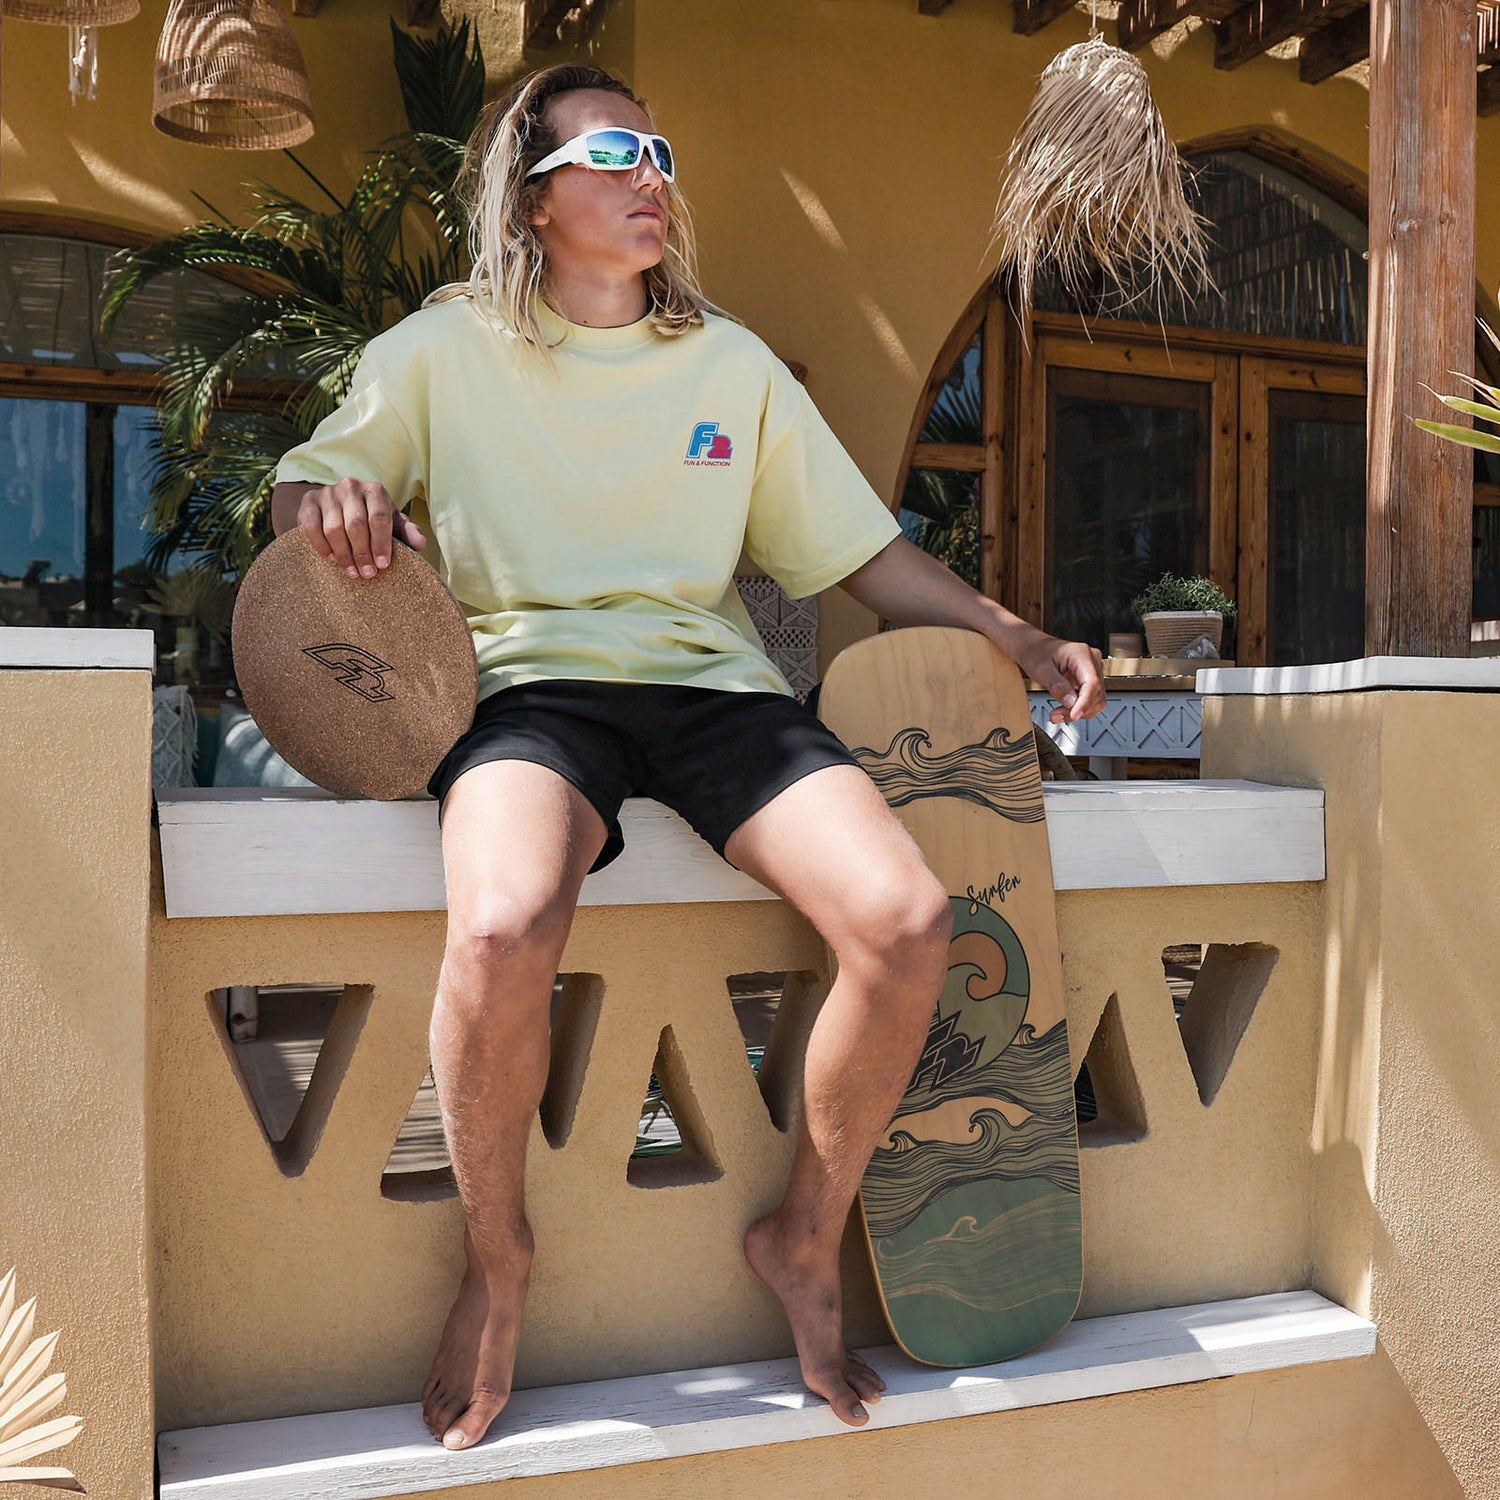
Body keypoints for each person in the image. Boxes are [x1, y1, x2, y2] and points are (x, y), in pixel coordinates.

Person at [270, 63, 1105, 1452]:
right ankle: (498, 1259)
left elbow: (861, 555)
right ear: (532, 199)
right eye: (613, 155)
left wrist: (1010, 631)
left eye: (659, 154)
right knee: (500, 927)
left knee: (908, 922)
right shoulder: (440, 348)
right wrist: (335, 499)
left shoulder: (731, 364)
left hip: (715, 689)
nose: (649, 176)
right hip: (529, 689)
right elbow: (307, 484)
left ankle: (802, 1235)